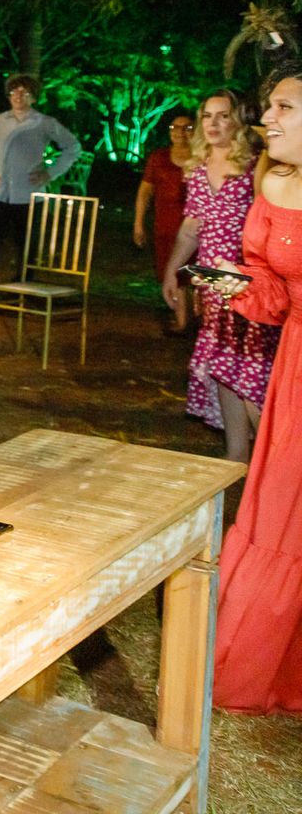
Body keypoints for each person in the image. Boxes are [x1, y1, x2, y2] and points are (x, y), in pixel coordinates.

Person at [198, 66, 302, 712]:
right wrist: (239, 286)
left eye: (286, 107)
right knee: (279, 509)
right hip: (295, 364)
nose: (270, 117)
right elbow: (273, 294)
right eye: (269, 106)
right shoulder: (271, 183)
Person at [161, 91, 272, 463]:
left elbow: (267, 226)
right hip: (211, 289)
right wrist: (172, 272)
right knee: (223, 369)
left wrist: (252, 278)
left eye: (222, 116)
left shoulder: (256, 166)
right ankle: (236, 457)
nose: (212, 123)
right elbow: (192, 227)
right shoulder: (197, 166)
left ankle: (273, 463)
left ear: (239, 122)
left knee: (250, 377)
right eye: (207, 115)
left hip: (247, 289)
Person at [0, 75, 82, 296]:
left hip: (30, 194)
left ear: (33, 97)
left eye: (24, 93)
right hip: (1, 192)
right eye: (14, 92)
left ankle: (23, 290)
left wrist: (50, 173)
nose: (18, 97)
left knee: (27, 246)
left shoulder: (44, 123)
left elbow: (72, 147)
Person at [138, 111, 197, 332]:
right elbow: (145, 191)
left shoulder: (203, 158)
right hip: (165, 225)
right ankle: (181, 320)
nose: (180, 133)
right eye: (175, 128)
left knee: (192, 273)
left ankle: (193, 318)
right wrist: (138, 222)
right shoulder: (159, 158)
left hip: (193, 226)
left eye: (186, 128)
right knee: (173, 272)